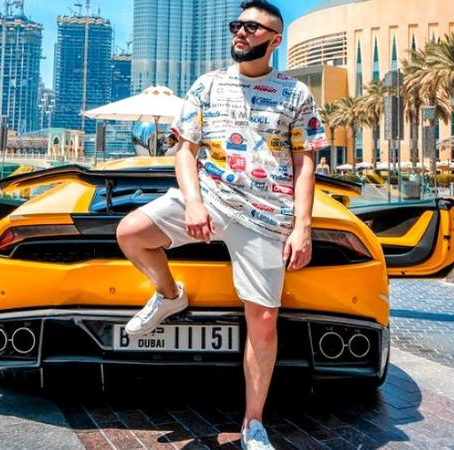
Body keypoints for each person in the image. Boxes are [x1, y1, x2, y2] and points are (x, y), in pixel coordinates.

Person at [116, 1, 326, 448]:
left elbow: (305, 161)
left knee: (263, 319)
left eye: (252, 27)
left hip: (267, 214)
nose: (241, 32)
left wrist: (302, 226)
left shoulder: (295, 94)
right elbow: (185, 151)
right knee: (130, 233)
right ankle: (169, 295)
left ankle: (253, 423)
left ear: (275, 39)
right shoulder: (207, 85)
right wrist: (193, 204)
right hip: (207, 199)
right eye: (237, 25)